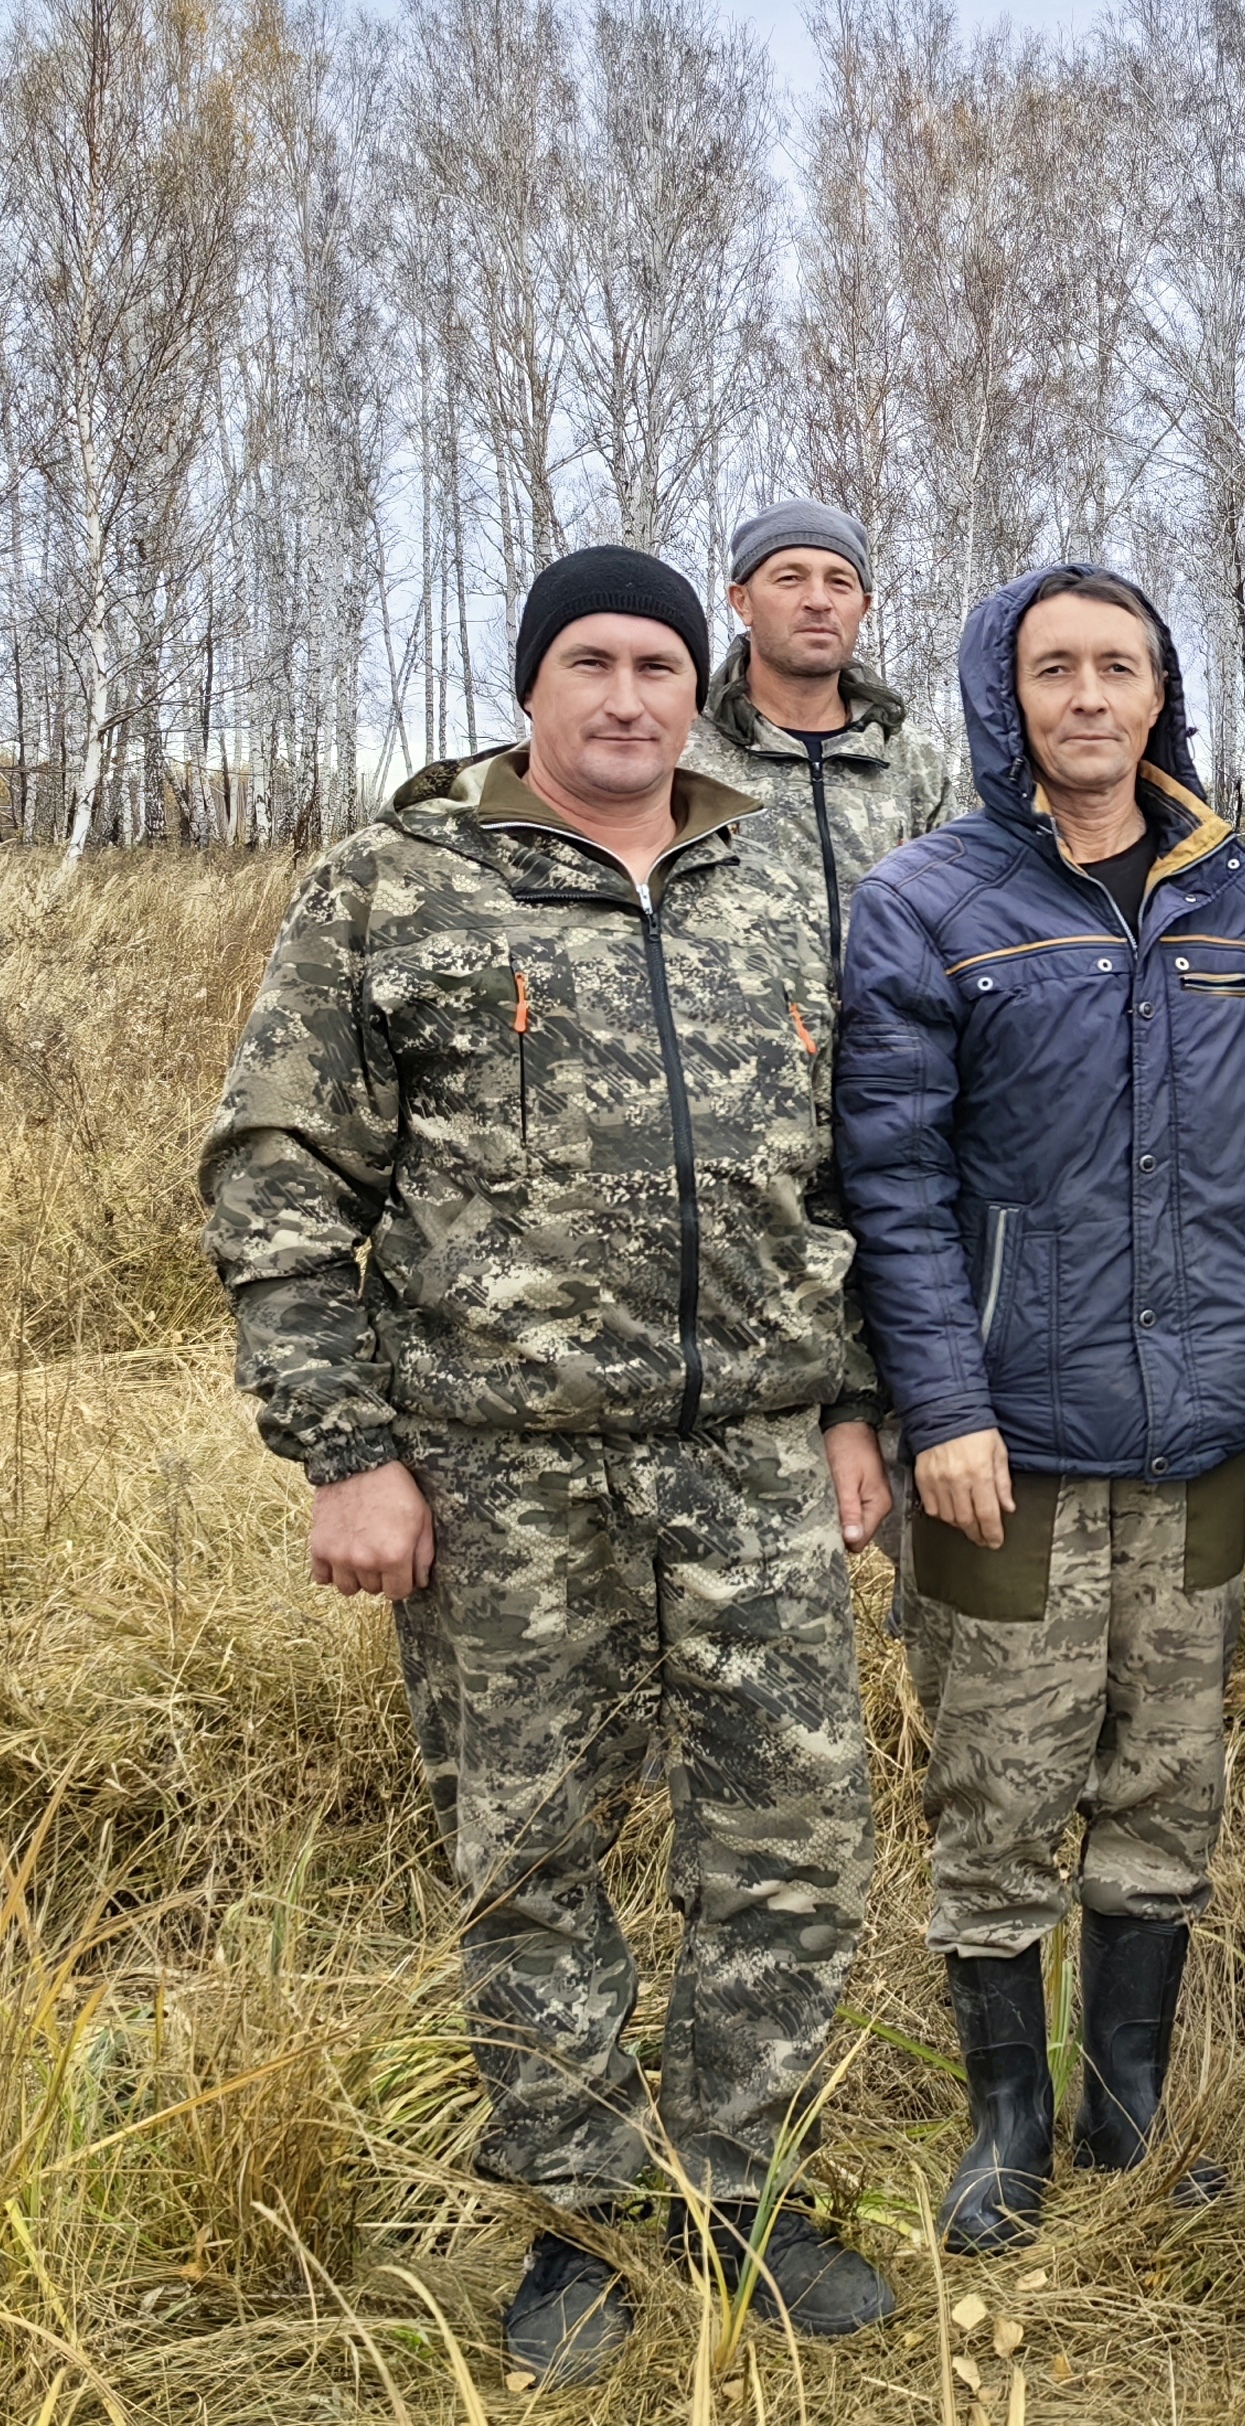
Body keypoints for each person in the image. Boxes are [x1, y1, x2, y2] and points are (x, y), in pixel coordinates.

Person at [200, 545, 897, 2385]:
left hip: (752, 1456)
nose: (627, 696)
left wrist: (851, 1402)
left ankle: (737, 2189)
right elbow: (281, 1180)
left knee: (793, 1843)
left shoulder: (775, 895)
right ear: (532, 688)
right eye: (588, 660)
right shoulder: (397, 889)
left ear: (700, 683)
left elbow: (852, 1181)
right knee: (530, 1849)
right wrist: (346, 1450)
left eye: (658, 663)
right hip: (499, 1474)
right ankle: (583, 2219)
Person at [835, 565, 1245, 2249]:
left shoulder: (1241, 893)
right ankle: (1008, 2119)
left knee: (1167, 1780)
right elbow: (888, 1177)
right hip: (1004, 1448)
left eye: (1121, 667)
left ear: (1161, 693)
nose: (1090, 697)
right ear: (1003, 695)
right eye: (1055, 670)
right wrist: (940, 1405)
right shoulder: (928, 902)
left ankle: (1128, 2105)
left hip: (1198, 1434)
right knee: (1004, 1785)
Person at [685, 498, 954, 962]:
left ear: (863, 606)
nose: (818, 600)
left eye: (840, 582)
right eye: (789, 578)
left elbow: (956, 919)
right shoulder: (683, 758)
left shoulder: (912, 763)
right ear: (742, 601)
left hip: (885, 1031)